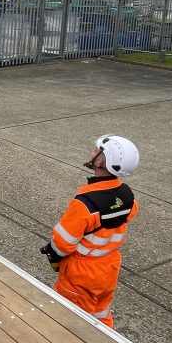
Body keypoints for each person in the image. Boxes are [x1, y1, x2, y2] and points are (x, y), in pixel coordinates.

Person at [41, 135, 140, 328]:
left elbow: (62, 244)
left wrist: (51, 251)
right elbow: (129, 214)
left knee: (70, 320)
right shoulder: (128, 196)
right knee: (101, 312)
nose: (93, 152)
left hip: (82, 274)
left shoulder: (85, 203)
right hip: (108, 268)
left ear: (102, 161)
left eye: (97, 150)